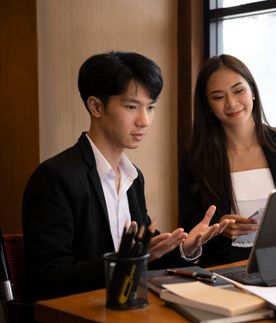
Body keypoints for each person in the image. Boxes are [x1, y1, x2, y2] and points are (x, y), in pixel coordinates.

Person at [22, 51, 233, 301]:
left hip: (127, 310)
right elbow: (48, 279)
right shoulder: (54, 178)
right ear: (96, 106)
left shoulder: (133, 177)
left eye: (150, 107)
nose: (144, 121)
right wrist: (128, 261)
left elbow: (147, 257)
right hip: (78, 322)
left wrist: (185, 248)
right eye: (132, 106)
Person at [180, 54, 276, 267]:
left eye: (239, 91)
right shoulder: (196, 157)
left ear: (253, 91)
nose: (231, 103)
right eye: (218, 97)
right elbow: (190, 229)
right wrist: (219, 229)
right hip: (223, 267)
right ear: (208, 105)